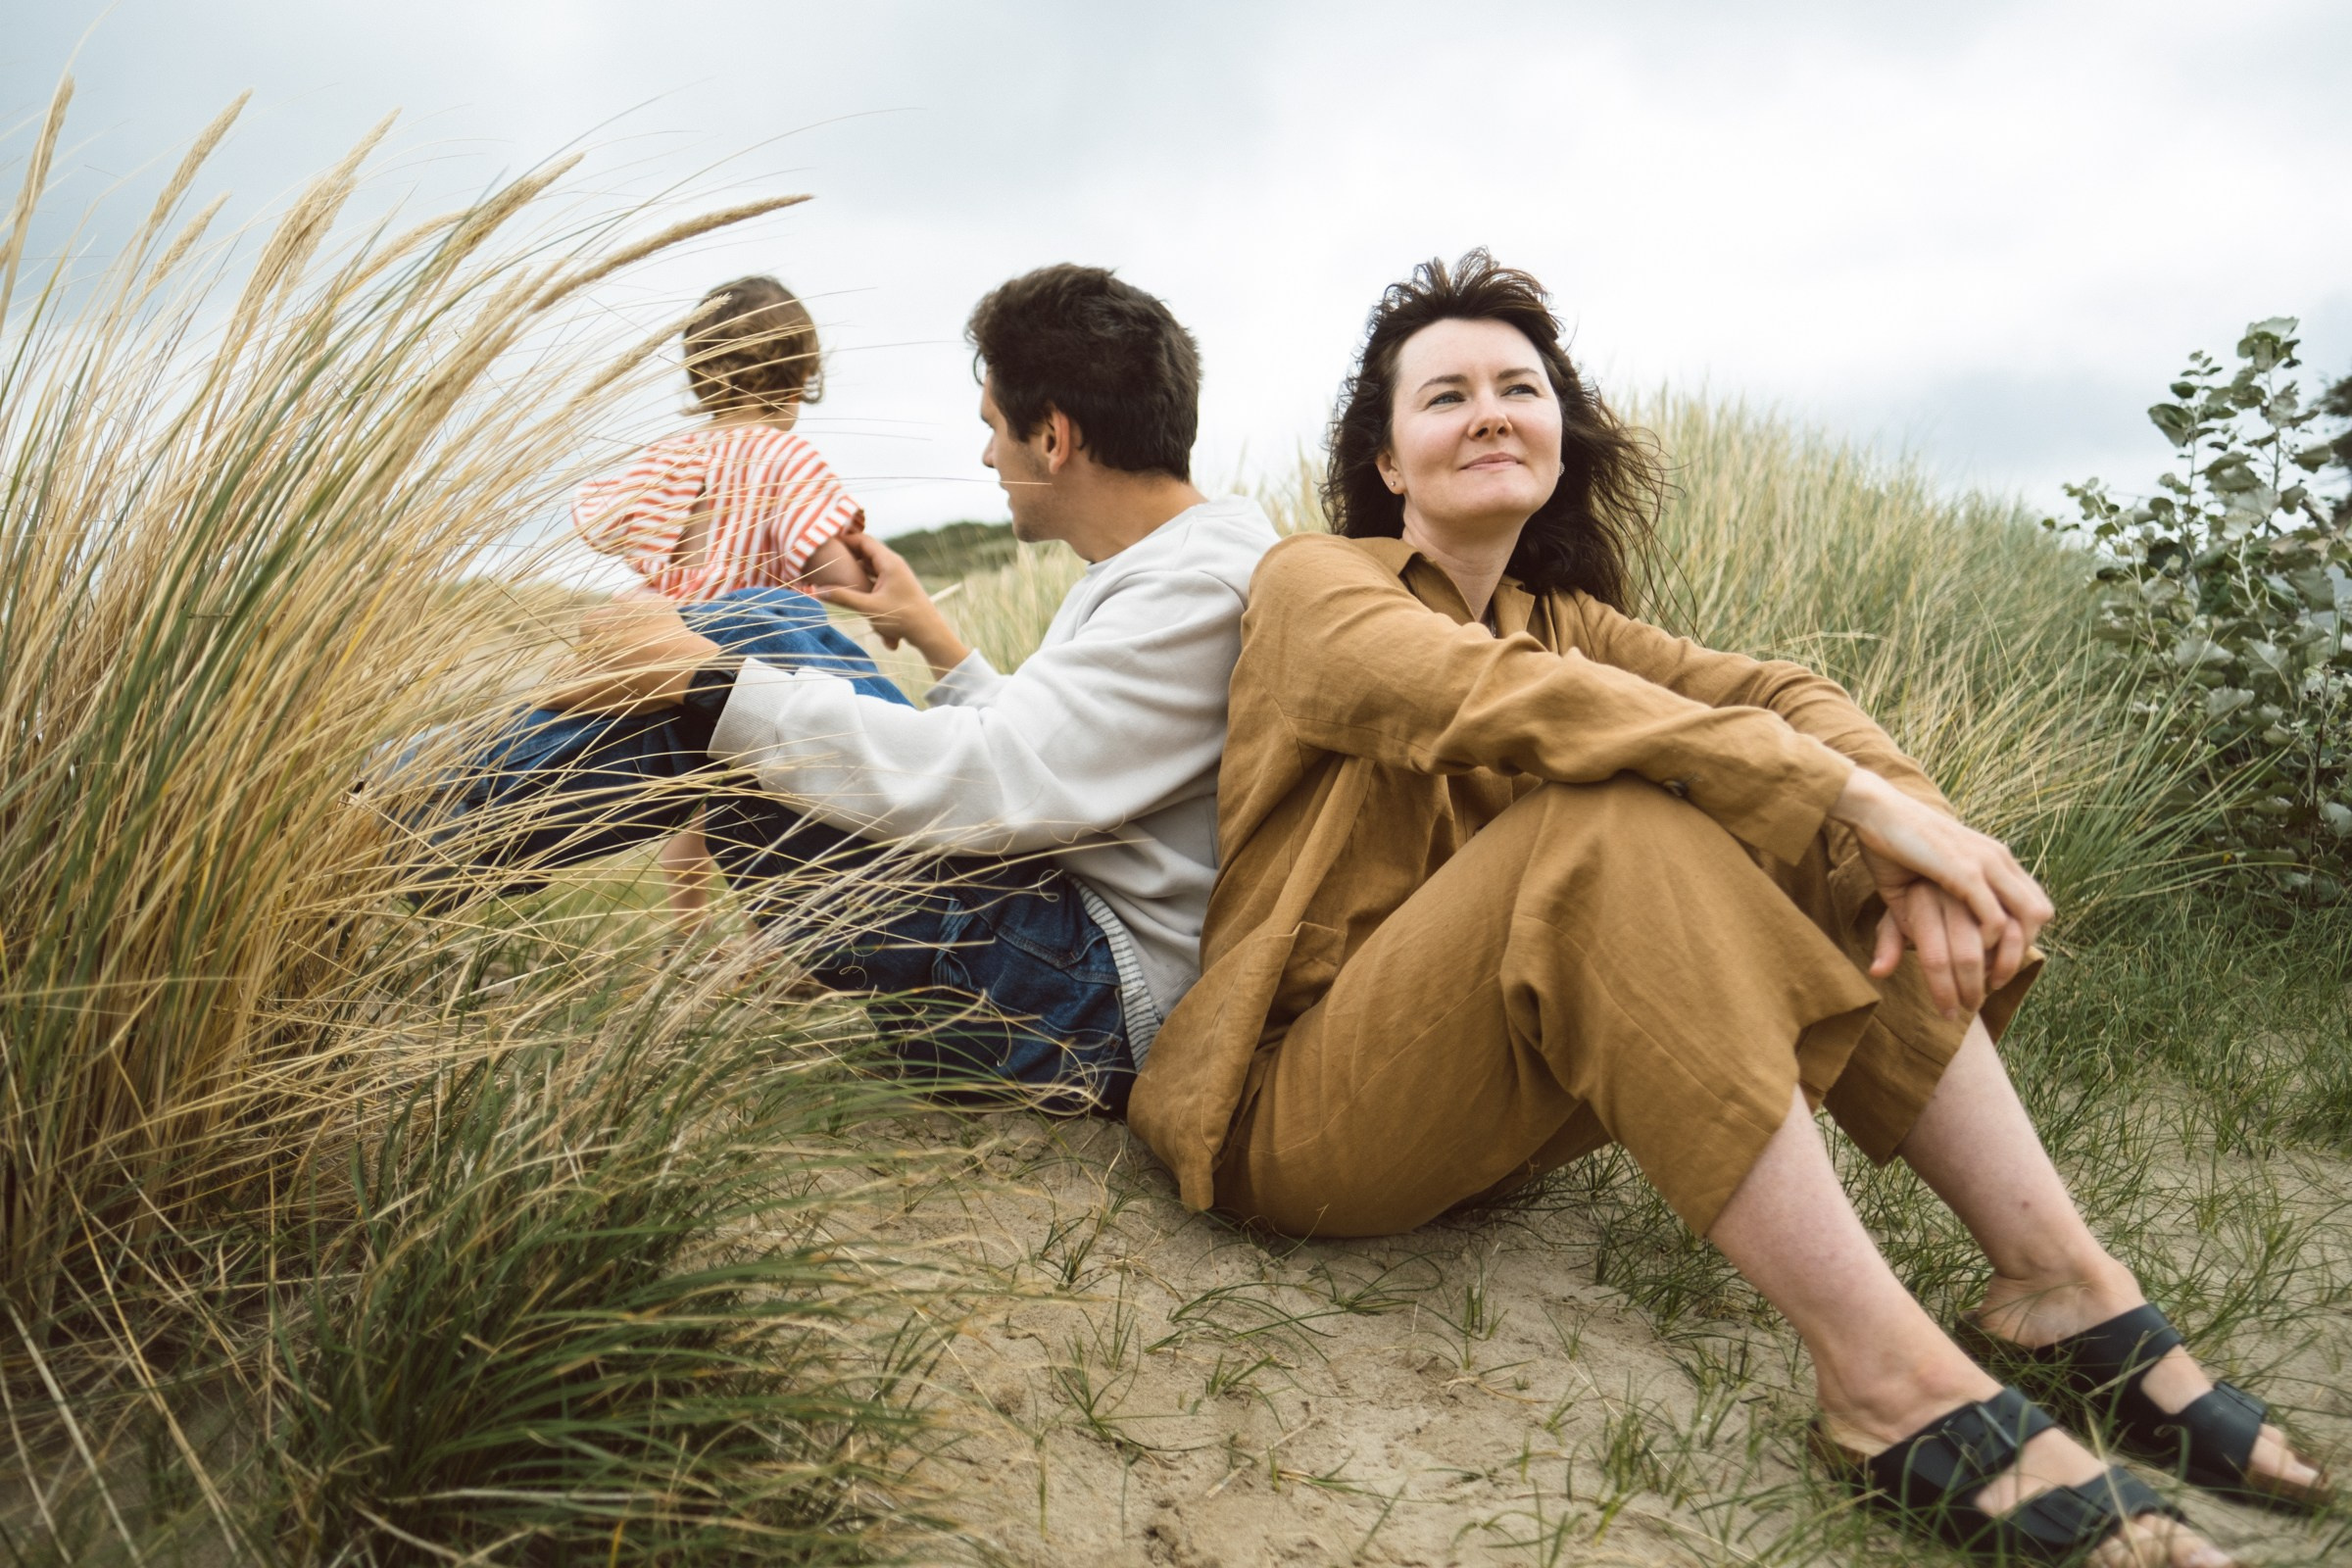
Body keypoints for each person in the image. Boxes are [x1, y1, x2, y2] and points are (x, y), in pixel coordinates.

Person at [1129, 253, 2329, 1567]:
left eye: (1520, 387)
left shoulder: (1568, 622)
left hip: (1480, 1114)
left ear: (1560, 437)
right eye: (1446, 394)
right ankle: (1889, 1388)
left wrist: (1915, 837)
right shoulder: (1315, 584)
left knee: (1787, 809)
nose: (1489, 411)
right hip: (1299, 1121)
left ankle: (2062, 1284)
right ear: (1389, 462)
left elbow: (1782, 695)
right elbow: (1468, 696)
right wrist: (1840, 799)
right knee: (1635, 813)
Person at [415, 264, 1279, 1114]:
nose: (985, 453)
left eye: (993, 427)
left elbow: (998, 783)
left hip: (1083, 1006)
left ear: (1051, 438)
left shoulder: (1197, 584)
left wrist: (706, 678)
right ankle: (424, 820)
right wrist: (932, 634)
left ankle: (410, 824)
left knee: (746, 642)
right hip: (1053, 962)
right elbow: (1056, 757)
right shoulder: (1164, 567)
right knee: (742, 651)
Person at [570, 275, 872, 931]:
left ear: (701, 377)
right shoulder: (786, 455)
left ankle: (690, 938)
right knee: (776, 809)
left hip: (667, 660)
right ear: (799, 382)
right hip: (748, 667)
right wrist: (873, 587)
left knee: (697, 811)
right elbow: (827, 561)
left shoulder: (671, 458)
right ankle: (786, 943)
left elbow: (600, 517)